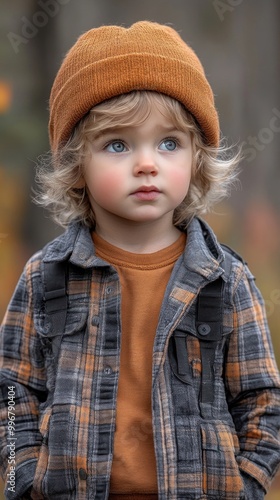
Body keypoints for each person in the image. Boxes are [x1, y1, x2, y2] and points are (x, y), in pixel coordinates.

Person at [0, 20, 280, 500]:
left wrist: (247, 486)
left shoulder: (225, 280)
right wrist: (23, 480)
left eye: (168, 143)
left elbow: (263, 402)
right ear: (76, 164)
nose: (146, 163)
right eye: (118, 144)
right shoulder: (45, 276)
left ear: (196, 156)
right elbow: (11, 392)